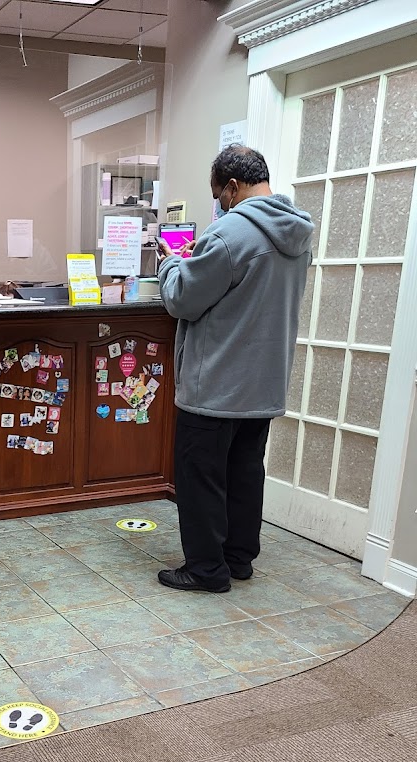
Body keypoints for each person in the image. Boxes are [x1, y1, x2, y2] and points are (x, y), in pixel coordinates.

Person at [155, 145, 313, 593]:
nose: (220, 205)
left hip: (216, 383)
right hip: (264, 383)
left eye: (218, 196)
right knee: (245, 472)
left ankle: (206, 570)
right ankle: (237, 559)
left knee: (201, 477)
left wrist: (171, 262)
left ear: (231, 186)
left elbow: (182, 299)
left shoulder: (229, 234)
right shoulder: (298, 231)